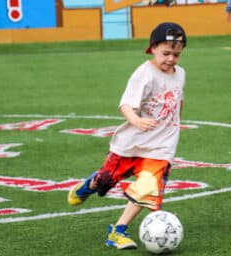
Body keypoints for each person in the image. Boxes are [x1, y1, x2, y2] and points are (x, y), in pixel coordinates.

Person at [67, 22, 187, 249]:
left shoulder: (180, 74)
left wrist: (175, 122)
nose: (171, 59)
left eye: (176, 54)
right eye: (166, 53)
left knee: (148, 187)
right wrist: (137, 121)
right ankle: (87, 187)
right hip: (131, 144)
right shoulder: (144, 74)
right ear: (152, 48)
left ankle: (117, 230)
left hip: (161, 147)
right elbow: (125, 105)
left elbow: (178, 101)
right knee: (104, 183)